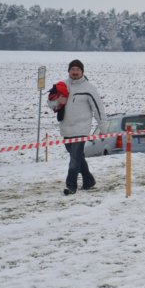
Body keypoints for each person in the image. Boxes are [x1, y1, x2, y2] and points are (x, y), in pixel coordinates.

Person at [59, 59, 105, 195]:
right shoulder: (63, 85)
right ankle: (89, 180)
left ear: (82, 71)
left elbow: (98, 109)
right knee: (77, 157)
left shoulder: (89, 88)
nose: (75, 72)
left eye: (77, 69)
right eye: (72, 69)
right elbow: (51, 102)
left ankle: (71, 186)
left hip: (81, 129)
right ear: (68, 71)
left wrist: (103, 128)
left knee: (74, 159)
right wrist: (56, 102)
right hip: (66, 129)